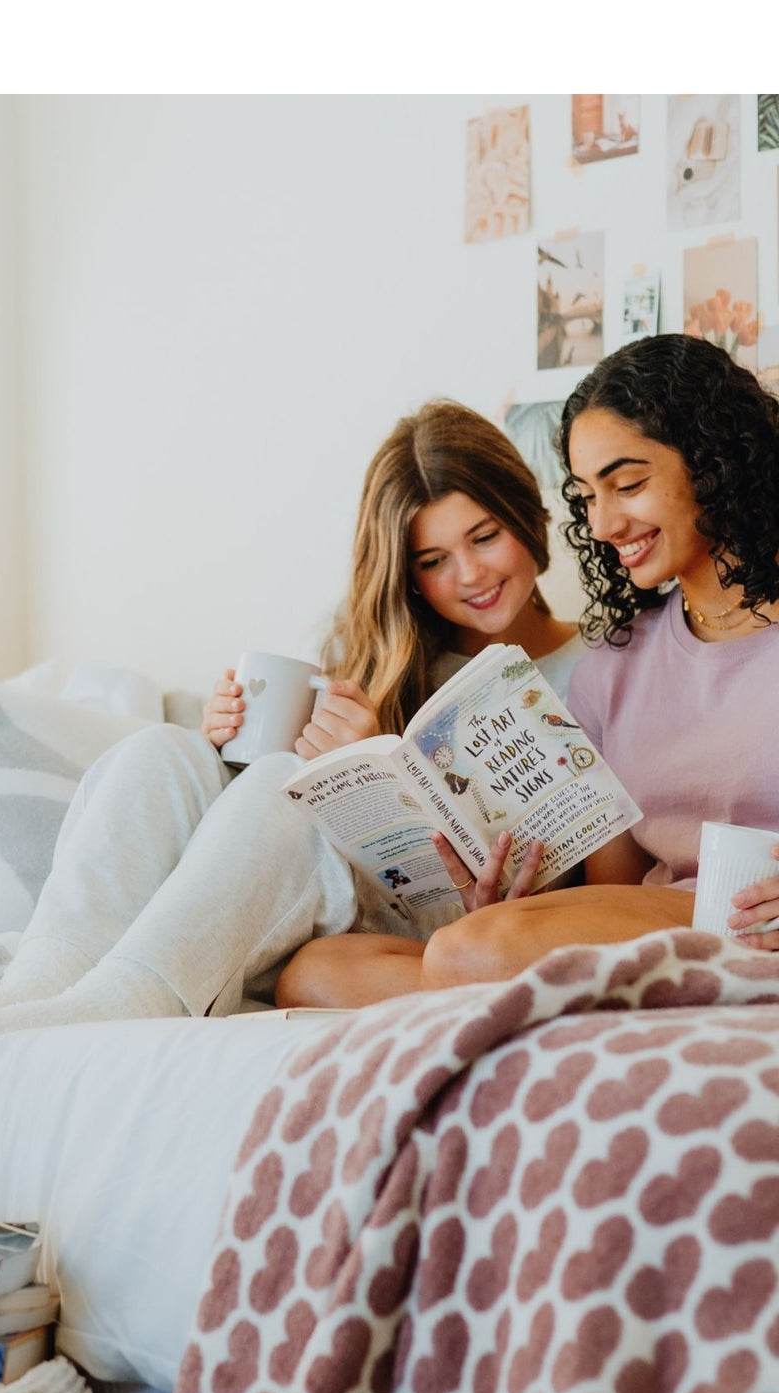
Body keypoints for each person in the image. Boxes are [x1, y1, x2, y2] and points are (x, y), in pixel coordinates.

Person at [0, 401, 584, 1056]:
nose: (469, 575)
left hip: (460, 918)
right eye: (433, 561)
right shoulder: (386, 655)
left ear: (525, 513)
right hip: (329, 895)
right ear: (405, 575)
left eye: (484, 537)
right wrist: (228, 746)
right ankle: (42, 983)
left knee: (284, 783)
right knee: (164, 751)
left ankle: (131, 997)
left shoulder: (602, 661)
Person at [278, 333, 779, 1010]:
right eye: (587, 495)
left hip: (752, 926)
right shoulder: (615, 665)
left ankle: (488, 980)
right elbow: (618, 890)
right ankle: (504, 980)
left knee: (468, 953)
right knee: (314, 970)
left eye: (627, 485)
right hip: (660, 922)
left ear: (713, 461)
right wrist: (528, 907)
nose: (603, 522)